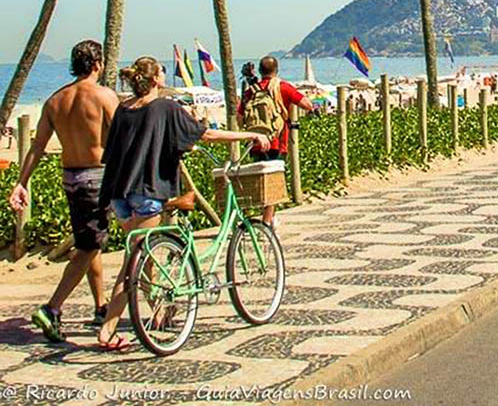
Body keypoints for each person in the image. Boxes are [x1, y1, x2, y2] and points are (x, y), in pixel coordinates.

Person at [95, 56, 267, 351]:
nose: (164, 76)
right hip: (146, 191)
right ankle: (107, 331)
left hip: (118, 194)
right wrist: (251, 133)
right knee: (131, 265)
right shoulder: (165, 107)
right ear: (155, 80)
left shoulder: (124, 109)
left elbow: (113, 149)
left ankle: (160, 314)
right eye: (162, 72)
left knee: (144, 261)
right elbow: (207, 133)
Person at [8, 41, 118, 343]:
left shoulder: (56, 101)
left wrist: (22, 182)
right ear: (97, 64)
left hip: (70, 177)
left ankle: (100, 305)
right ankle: (52, 308)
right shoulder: (104, 96)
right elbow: (124, 138)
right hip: (96, 177)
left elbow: (37, 146)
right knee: (90, 246)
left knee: (88, 240)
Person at [237, 56, 314, 228]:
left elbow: (240, 118)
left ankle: (268, 218)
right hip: (277, 141)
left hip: (256, 142)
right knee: (274, 181)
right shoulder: (282, 87)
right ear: (276, 69)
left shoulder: (251, 91)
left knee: (261, 181)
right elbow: (307, 104)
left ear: (260, 70)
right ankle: (266, 223)